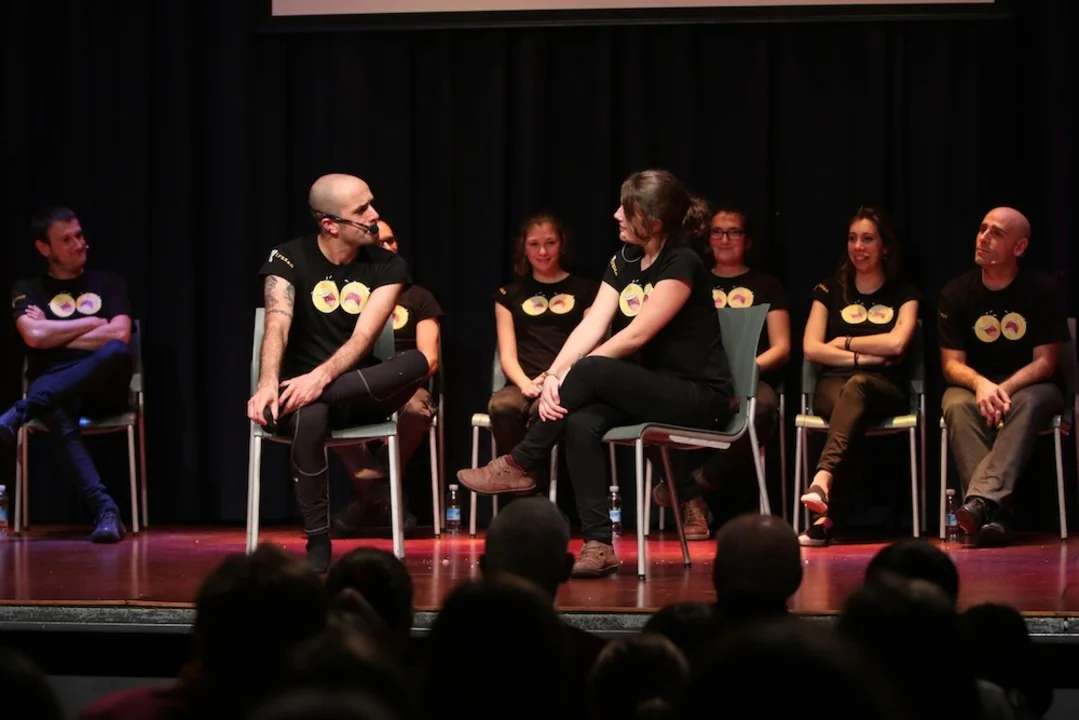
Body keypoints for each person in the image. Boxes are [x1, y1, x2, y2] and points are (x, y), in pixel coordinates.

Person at [458, 169, 733, 577]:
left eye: (627, 209)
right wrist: (554, 375)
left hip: (698, 397)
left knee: (593, 369)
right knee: (580, 421)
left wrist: (575, 373)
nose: (616, 214)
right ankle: (599, 543)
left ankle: (521, 461)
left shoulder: (682, 262)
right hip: (647, 391)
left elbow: (635, 335)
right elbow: (592, 325)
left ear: (653, 222)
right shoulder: (625, 259)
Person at [246, 174, 430, 572]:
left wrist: (319, 381)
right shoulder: (287, 258)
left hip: (359, 393)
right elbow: (277, 324)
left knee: (416, 361)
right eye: (362, 210)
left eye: (371, 203)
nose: (374, 215)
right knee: (310, 415)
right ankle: (318, 540)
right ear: (330, 224)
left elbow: (364, 337)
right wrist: (266, 384)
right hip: (301, 402)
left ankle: (315, 394)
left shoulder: (389, 265)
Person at [652, 206, 791, 538]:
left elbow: (782, 347)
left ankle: (700, 482)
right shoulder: (692, 280)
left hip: (752, 381)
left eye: (734, 232)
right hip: (699, 380)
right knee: (653, 404)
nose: (725, 239)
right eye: (717, 232)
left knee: (763, 408)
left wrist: (746, 371)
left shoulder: (766, 285)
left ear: (748, 240)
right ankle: (692, 503)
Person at [0, 206, 133, 543]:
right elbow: (34, 337)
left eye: (79, 235)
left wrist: (52, 330)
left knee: (115, 352)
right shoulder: (27, 288)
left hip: (102, 389)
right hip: (57, 390)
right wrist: (92, 323)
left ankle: (23, 409)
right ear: (44, 248)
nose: (79, 244)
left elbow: (119, 334)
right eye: (67, 240)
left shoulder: (109, 283)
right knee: (55, 407)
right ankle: (106, 511)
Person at [939, 207, 1068, 546]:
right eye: (982, 229)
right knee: (955, 404)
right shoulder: (956, 292)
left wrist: (1002, 390)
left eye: (996, 233)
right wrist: (981, 384)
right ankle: (995, 516)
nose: (983, 238)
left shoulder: (1043, 290)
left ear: (1019, 247)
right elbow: (951, 365)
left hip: (1032, 385)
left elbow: (1045, 363)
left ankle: (979, 502)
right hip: (976, 385)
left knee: (1028, 401)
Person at [799, 206, 921, 547]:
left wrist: (845, 341)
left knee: (859, 387)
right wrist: (864, 356)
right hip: (833, 384)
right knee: (851, 402)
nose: (858, 247)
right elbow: (811, 348)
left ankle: (823, 483)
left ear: (885, 247)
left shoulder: (905, 293)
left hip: (884, 386)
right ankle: (828, 514)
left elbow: (897, 343)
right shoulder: (828, 289)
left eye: (867, 239)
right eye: (852, 238)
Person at [332, 219, 443, 536]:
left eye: (392, 240)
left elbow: (430, 358)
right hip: (359, 383)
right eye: (380, 242)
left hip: (408, 384)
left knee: (415, 410)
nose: (388, 246)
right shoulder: (349, 297)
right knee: (327, 407)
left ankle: (366, 500)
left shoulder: (419, 297)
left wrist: (394, 386)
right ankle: (386, 496)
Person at [487, 213, 599, 480]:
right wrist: (525, 384)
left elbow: (594, 346)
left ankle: (548, 484)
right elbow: (507, 355)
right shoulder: (507, 295)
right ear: (523, 248)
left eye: (550, 243)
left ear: (562, 244)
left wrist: (558, 377)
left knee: (547, 410)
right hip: (524, 382)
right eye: (534, 244)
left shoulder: (587, 290)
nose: (542, 251)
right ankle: (525, 478)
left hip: (566, 382)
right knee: (501, 406)